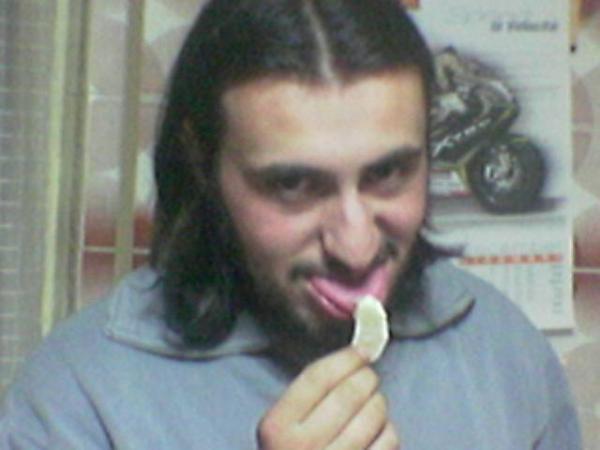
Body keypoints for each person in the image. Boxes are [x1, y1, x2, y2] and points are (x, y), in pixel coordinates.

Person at [0, 0, 581, 448]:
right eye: (294, 185)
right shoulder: (76, 398)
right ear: (202, 163)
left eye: (389, 174)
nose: (356, 248)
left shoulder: (506, 355)